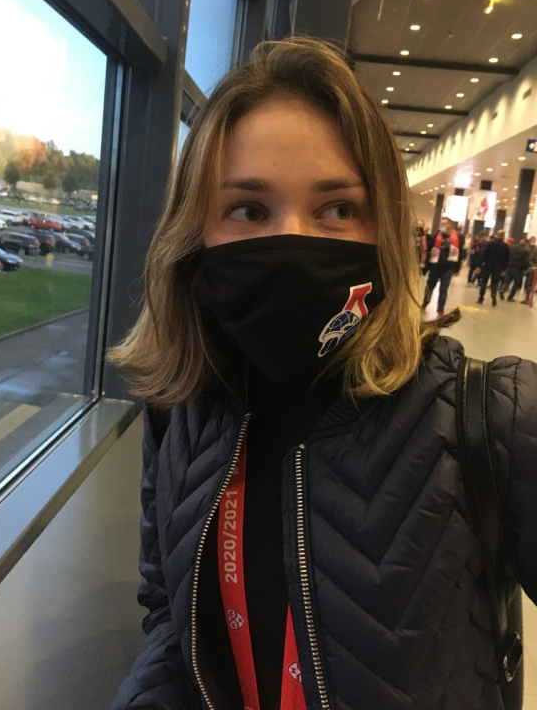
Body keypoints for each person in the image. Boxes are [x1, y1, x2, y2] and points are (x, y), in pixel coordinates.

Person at [106, 38, 537, 710]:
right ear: (195, 235)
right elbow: (170, 619)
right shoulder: (180, 410)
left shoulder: (495, 414)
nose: (294, 241)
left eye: (337, 209)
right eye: (249, 210)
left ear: (383, 228)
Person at [421, 216, 465, 317]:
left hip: (448, 268)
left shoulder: (459, 237)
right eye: (441, 224)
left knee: (443, 289)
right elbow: (429, 249)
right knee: (429, 287)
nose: (441, 225)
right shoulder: (436, 235)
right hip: (435, 267)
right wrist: (426, 265)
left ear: (450, 225)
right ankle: (424, 303)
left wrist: (457, 268)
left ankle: (440, 310)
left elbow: (461, 253)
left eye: (444, 224)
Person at [476, 229, 510, 306]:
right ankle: (493, 294)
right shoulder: (506, 246)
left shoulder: (490, 244)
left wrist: (479, 265)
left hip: (488, 265)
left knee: (484, 282)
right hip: (498, 267)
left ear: (497, 235)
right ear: (504, 236)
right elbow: (506, 259)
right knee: (495, 283)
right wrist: (504, 269)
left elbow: (484, 255)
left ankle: (481, 298)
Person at [521, 235, 537, 305]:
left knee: (528, 284)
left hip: (529, 266)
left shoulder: (526, 248)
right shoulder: (535, 249)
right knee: (530, 284)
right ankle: (528, 298)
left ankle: (527, 298)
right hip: (531, 266)